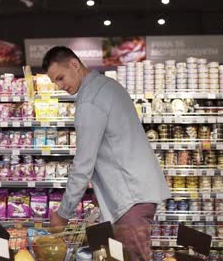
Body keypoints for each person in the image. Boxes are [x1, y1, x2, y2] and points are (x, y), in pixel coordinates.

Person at [42, 46, 171, 260]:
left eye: (61, 78)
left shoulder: (90, 101)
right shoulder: (108, 86)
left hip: (130, 196)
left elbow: (83, 164)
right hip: (136, 192)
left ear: (75, 64)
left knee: (133, 257)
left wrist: (63, 214)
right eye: (55, 81)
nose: (60, 85)